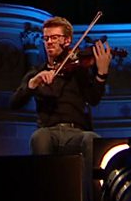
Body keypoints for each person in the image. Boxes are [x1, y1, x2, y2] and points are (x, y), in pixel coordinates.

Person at [9, 15, 112, 167]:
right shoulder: (36, 73)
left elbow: (93, 99)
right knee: (39, 137)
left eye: (55, 37)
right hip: (48, 131)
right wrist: (33, 83)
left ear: (67, 40)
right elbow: (14, 103)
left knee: (92, 139)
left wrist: (101, 74)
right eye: (46, 38)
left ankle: (89, 183)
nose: (49, 42)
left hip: (77, 133)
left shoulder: (78, 70)